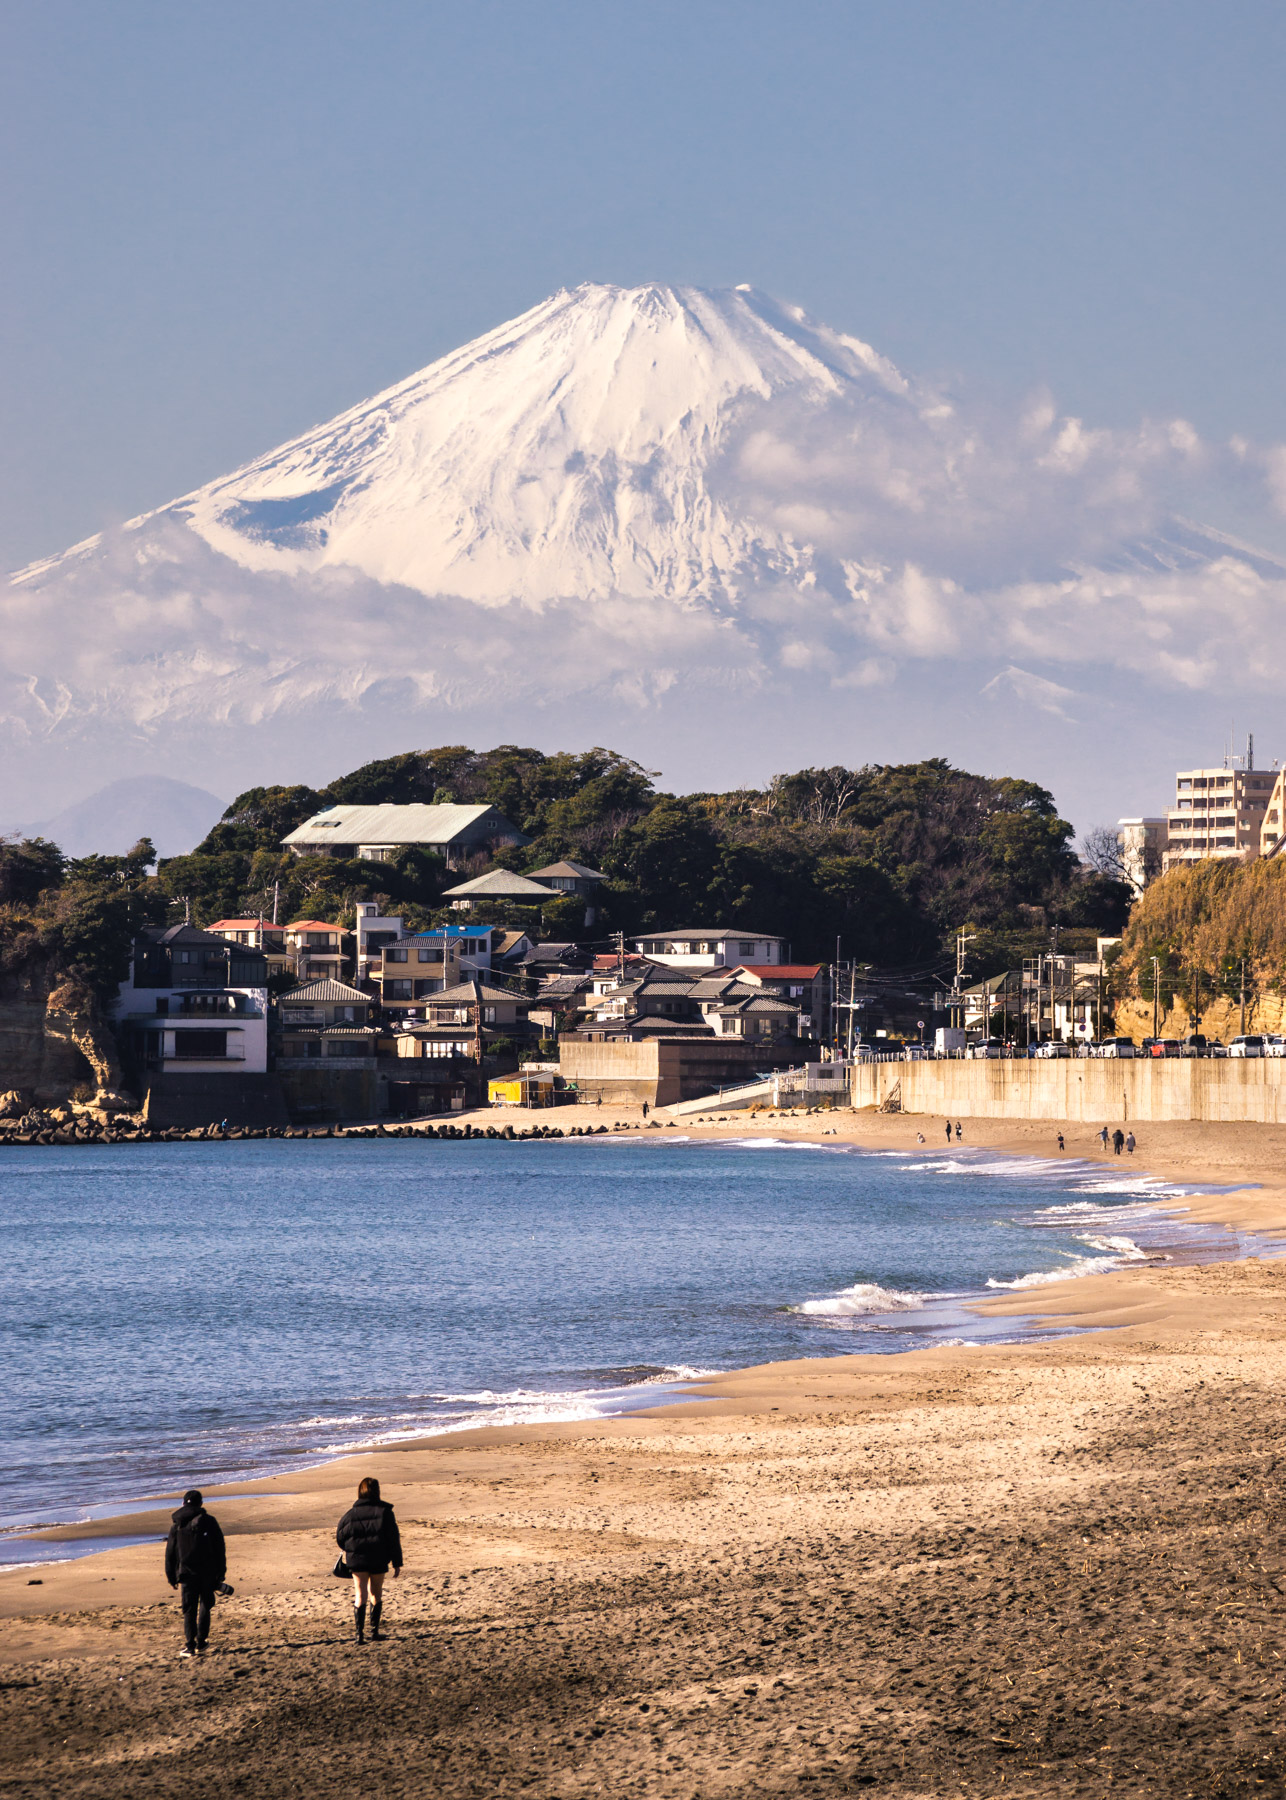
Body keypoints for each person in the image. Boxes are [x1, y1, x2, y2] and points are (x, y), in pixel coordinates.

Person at [335, 1476, 403, 1644]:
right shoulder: (385, 1512)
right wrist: (397, 1562)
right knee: (376, 1594)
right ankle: (374, 1632)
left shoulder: (350, 1515)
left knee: (360, 1595)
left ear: (360, 1492)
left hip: (357, 1559)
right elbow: (393, 1539)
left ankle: (359, 1635)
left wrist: (350, 1549)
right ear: (377, 1491)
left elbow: (340, 1537)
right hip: (379, 1558)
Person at [165, 1489, 227, 1658]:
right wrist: (221, 1572)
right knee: (205, 1606)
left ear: (183, 1503)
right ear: (201, 1504)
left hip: (186, 1573)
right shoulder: (209, 1521)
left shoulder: (176, 1525)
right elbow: (220, 1548)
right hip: (208, 1572)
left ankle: (190, 1646)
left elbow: (170, 1553)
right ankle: (201, 1642)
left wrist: (171, 1576)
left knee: (189, 1610)